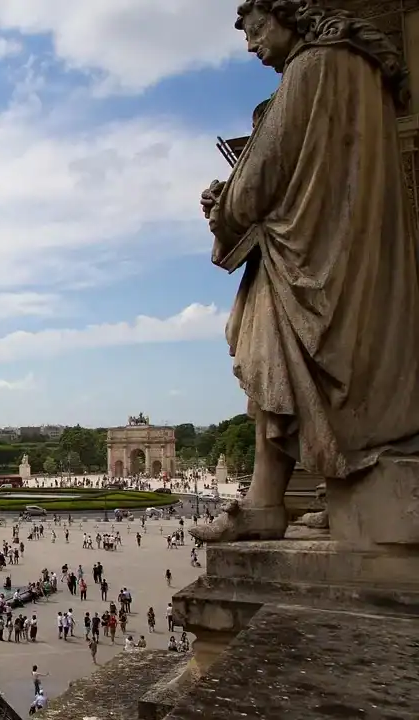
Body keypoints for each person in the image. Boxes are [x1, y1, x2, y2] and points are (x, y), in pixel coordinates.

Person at [194, 0, 419, 543]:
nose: (251, 45)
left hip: (305, 259)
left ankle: (266, 500)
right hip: (359, 247)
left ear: (290, 14)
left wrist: (222, 207)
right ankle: (344, 494)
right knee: (344, 374)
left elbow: (260, 176)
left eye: (255, 28)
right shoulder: (366, 71)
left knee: (270, 365)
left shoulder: (312, 66)